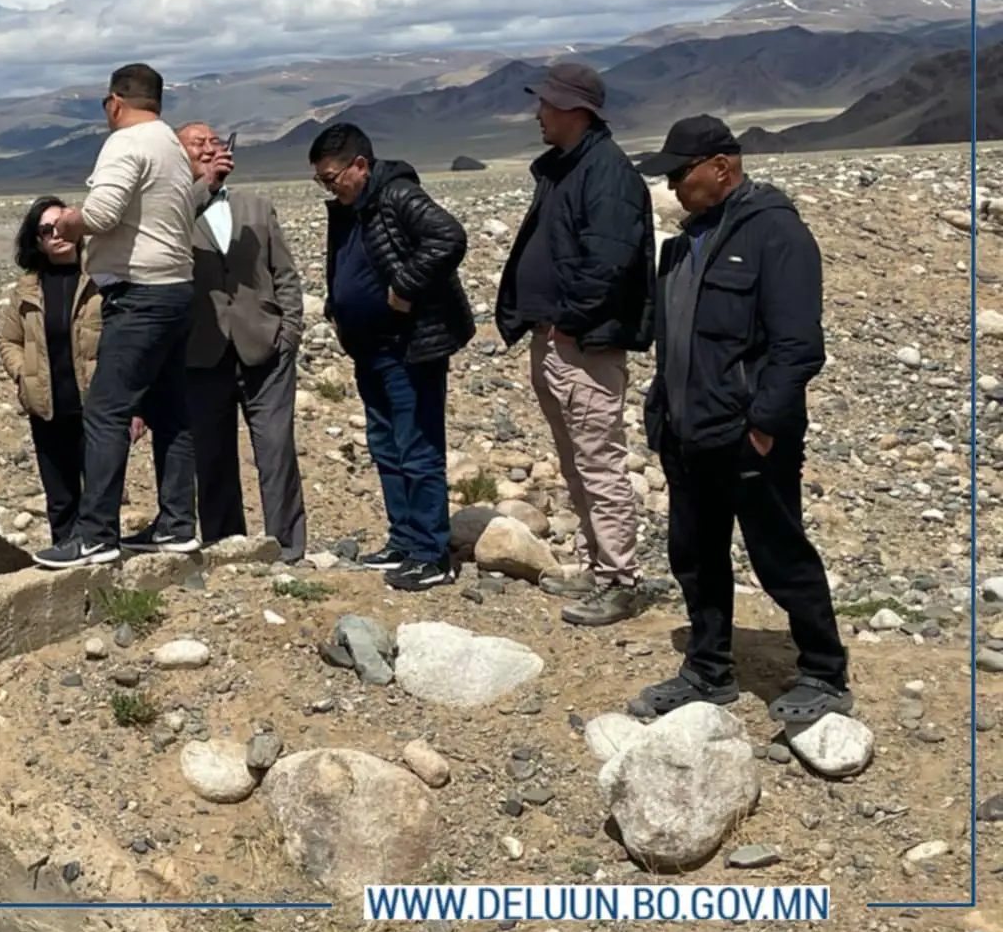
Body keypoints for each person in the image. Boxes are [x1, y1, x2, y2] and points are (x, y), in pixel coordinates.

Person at [627, 115, 851, 726]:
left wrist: (765, 423)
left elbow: (797, 346)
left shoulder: (776, 234)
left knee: (779, 553)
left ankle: (825, 672)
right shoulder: (684, 245)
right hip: (687, 432)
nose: (672, 187)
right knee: (695, 554)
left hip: (748, 436)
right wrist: (662, 411)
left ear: (721, 167)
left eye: (680, 174)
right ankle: (707, 670)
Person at [493, 60, 656, 625]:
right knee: (576, 461)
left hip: (583, 344)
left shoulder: (606, 174)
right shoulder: (568, 168)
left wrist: (568, 320)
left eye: (547, 103)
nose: (538, 113)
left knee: (598, 463)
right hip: (559, 339)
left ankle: (620, 579)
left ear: (575, 111)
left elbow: (608, 263)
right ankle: (596, 565)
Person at [35, 63, 206, 569]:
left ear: (115, 102)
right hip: (177, 289)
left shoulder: (126, 143)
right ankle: (177, 524)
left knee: (106, 413)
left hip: (139, 295)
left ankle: (95, 534)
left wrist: (70, 221)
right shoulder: (170, 144)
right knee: (171, 412)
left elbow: (104, 212)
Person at [309, 123, 474, 591]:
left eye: (331, 177)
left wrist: (405, 286)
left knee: (417, 447)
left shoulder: (398, 195)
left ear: (360, 165)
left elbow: (448, 237)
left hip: (409, 347)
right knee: (386, 446)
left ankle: (431, 553)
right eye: (321, 180)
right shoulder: (350, 208)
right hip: (369, 349)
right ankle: (403, 540)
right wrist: (336, 307)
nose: (328, 187)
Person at [175, 121, 308, 564]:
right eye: (197, 144)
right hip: (201, 352)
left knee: (276, 452)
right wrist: (205, 187)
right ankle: (226, 547)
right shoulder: (172, 210)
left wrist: (289, 332)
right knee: (212, 456)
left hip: (265, 348)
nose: (208, 149)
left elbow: (284, 273)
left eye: (214, 142)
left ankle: (286, 549)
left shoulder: (256, 206)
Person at [0, 195, 107, 546]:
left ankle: (102, 554)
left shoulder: (100, 280)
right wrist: (23, 373)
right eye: (46, 230)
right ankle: (66, 556)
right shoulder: (27, 289)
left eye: (62, 225)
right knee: (60, 499)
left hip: (94, 405)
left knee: (101, 494)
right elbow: (9, 339)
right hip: (47, 409)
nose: (56, 234)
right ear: (37, 240)